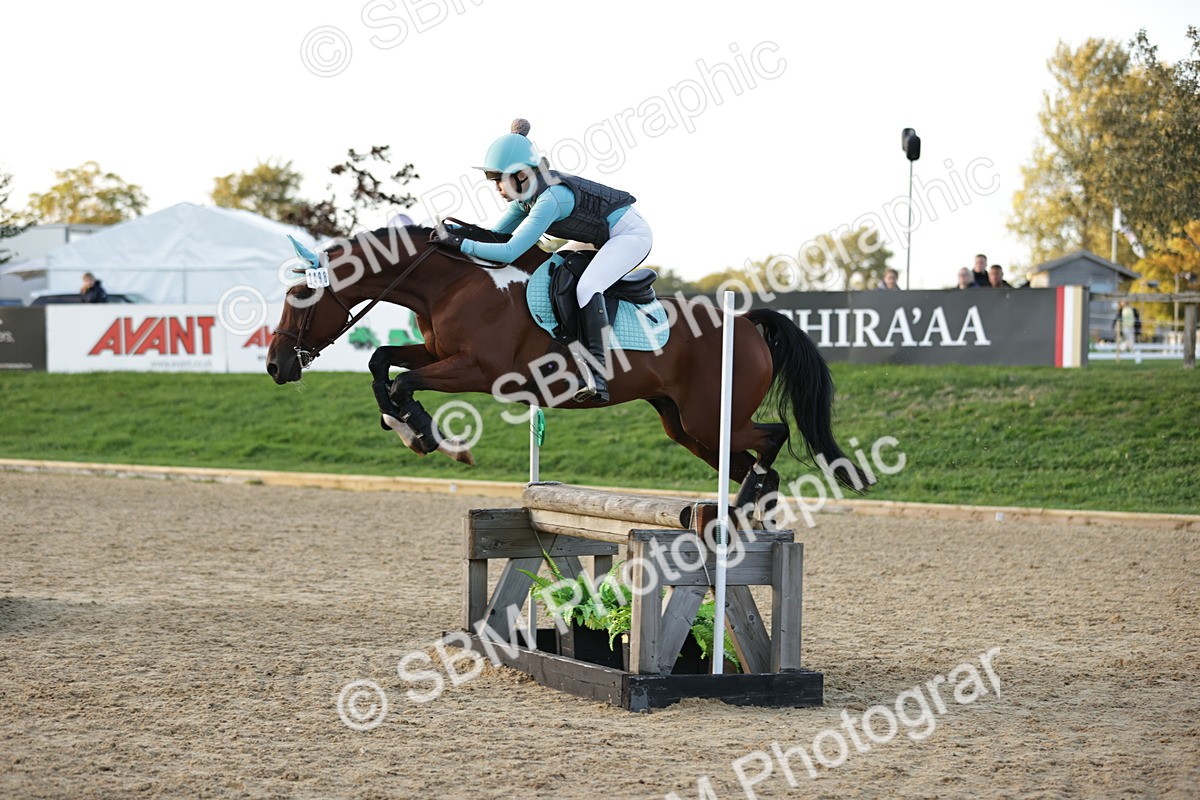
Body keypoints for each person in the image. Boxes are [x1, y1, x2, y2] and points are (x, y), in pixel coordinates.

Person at [431, 119, 651, 403]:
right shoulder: (527, 198)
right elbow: (495, 235)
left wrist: (460, 244)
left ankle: (597, 373)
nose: (496, 187)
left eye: (499, 179)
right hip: (600, 235)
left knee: (587, 287)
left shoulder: (551, 199)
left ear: (522, 175)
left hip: (629, 235)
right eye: (493, 180)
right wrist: (459, 232)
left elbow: (509, 251)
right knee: (552, 273)